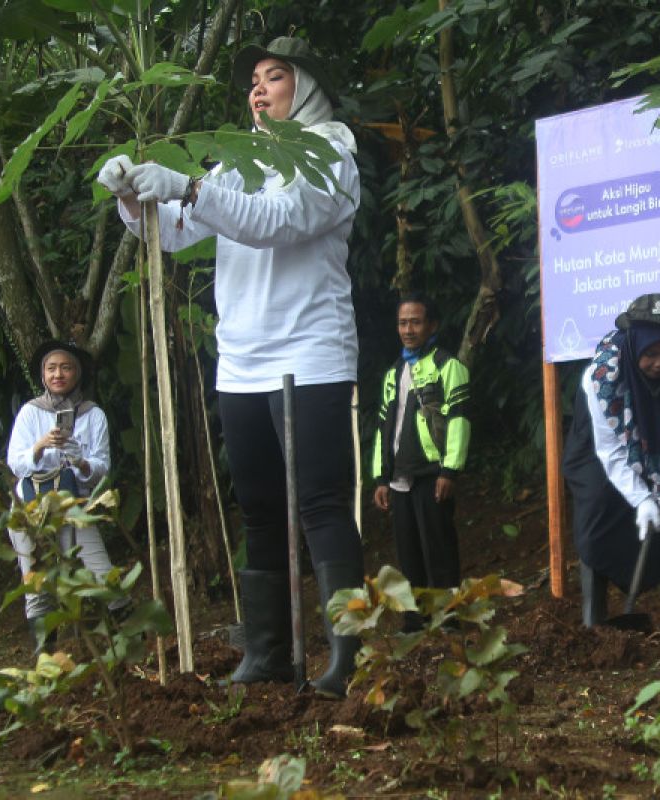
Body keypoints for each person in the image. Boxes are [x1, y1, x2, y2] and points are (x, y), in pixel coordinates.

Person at [96, 36, 363, 698]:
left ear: (306, 88)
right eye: (253, 79)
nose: (260, 88)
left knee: (322, 504)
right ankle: (270, 652)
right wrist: (136, 199)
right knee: (261, 508)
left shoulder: (332, 152)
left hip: (310, 350)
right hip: (242, 360)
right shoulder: (240, 160)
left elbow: (279, 220)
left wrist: (187, 184)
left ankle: (348, 656)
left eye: (276, 76)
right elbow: (185, 229)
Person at [562, 293, 660, 640]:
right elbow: (609, 451)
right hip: (599, 444)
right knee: (599, 505)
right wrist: (641, 498)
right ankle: (594, 618)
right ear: (634, 345)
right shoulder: (601, 377)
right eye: (650, 354)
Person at [6, 340, 124, 655]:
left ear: (78, 373)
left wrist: (78, 459)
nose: (58, 374)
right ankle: (46, 665)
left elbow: (101, 468)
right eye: (51, 368)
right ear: (43, 374)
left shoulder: (93, 415)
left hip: (75, 508)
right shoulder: (31, 413)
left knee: (102, 574)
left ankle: (130, 648)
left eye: (66, 367)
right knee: (37, 586)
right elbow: (15, 463)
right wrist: (41, 446)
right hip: (32, 509)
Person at [370, 294, 470, 630]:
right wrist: (381, 478)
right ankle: (414, 619)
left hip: (431, 472)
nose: (408, 329)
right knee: (408, 549)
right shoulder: (393, 373)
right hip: (399, 475)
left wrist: (450, 470)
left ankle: (448, 617)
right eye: (402, 322)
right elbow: (385, 427)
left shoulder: (447, 366)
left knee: (438, 546)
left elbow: (458, 421)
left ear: (432, 325)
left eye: (415, 322)